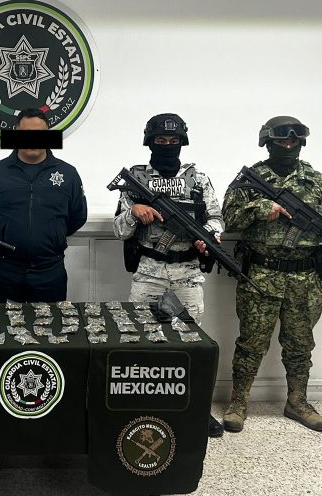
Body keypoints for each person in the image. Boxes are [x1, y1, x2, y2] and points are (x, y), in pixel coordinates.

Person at [113, 113, 225, 438]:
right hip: (149, 271)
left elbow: (216, 217)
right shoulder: (136, 179)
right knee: (139, 340)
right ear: (150, 142)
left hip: (187, 272)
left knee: (190, 342)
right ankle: (140, 408)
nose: (167, 146)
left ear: (181, 143)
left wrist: (209, 235)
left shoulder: (198, 179)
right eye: (160, 141)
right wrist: (134, 212)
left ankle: (195, 408)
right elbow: (119, 230)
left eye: (173, 141)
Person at [222, 115, 322, 433]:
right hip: (262, 275)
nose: (289, 145)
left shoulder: (315, 180)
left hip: (305, 278)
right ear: (268, 141)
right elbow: (228, 219)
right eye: (282, 140)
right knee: (251, 343)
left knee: (300, 345)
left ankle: (297, 402)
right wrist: (260, 209)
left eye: (294, 139)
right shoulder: (252, 179)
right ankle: (238, 403)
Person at [0, 108, 87, 303]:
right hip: (6, 271)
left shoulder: (68, 174)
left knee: (52, 323)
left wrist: (54, 236)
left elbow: (78, 217)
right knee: (2, 323)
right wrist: (7, 232)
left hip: (50, 272)